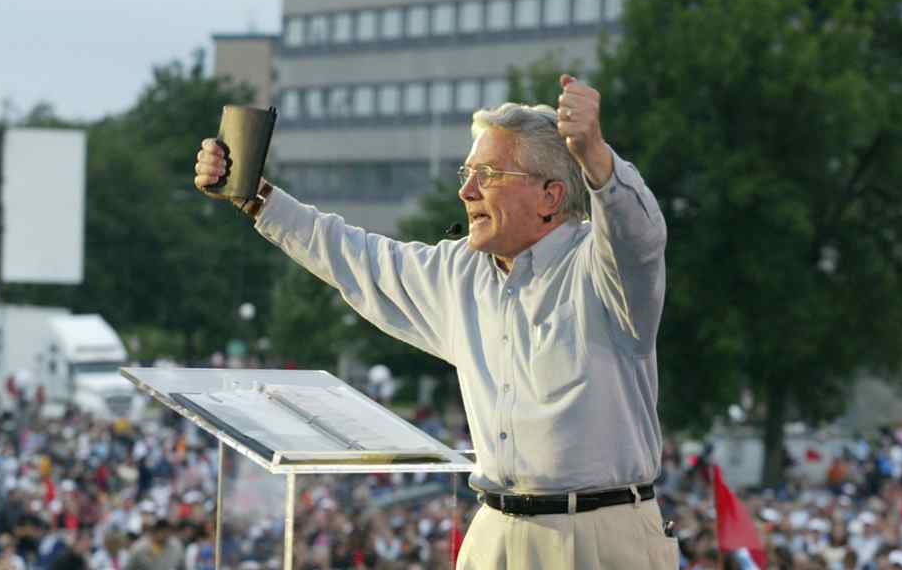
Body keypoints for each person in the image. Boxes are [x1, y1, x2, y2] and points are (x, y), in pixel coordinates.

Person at [193, 74, 677, 569]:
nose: (466, 191)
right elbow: (352, 256)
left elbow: (639, 235)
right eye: (466, 172)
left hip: (597, 539)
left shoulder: (604, 272)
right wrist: (255, 197)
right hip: (494, 532)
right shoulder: (459, 271)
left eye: (487, 174)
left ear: (551, 196)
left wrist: (596, 156)